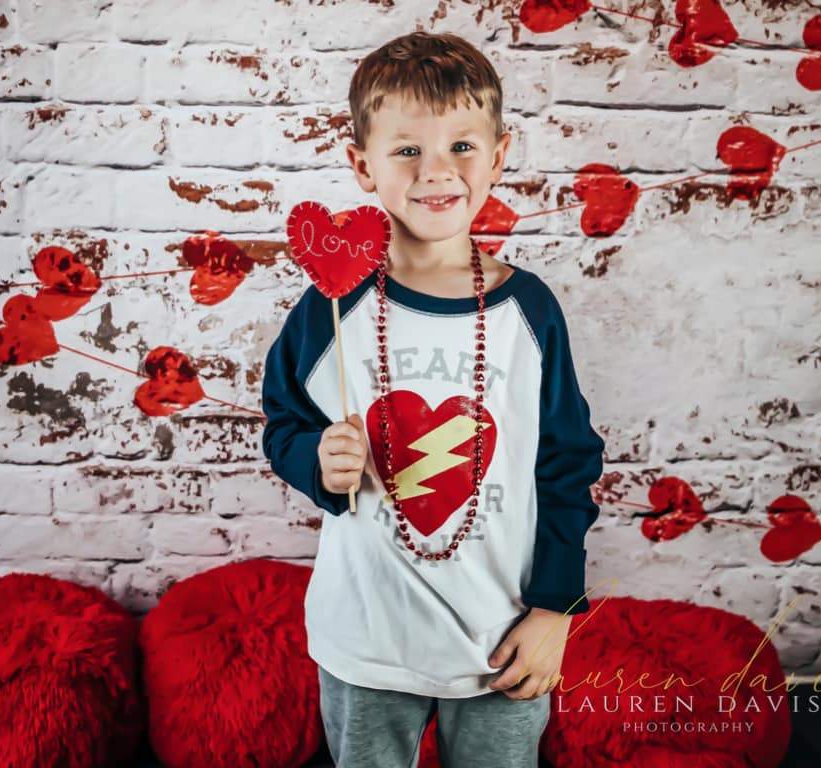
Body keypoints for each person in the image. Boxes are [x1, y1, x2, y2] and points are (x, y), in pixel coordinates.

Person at [261, 29, 606, 768]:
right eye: (408, 149)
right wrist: (317, 458)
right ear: (363, 164)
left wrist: (556, 610)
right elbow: (283, 423)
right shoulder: (331, 305)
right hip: (367, 644)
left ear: (500, 155)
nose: (436, 171)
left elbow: (568, 463)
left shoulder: (529, 311)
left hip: (502, 641)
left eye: (461, 146)